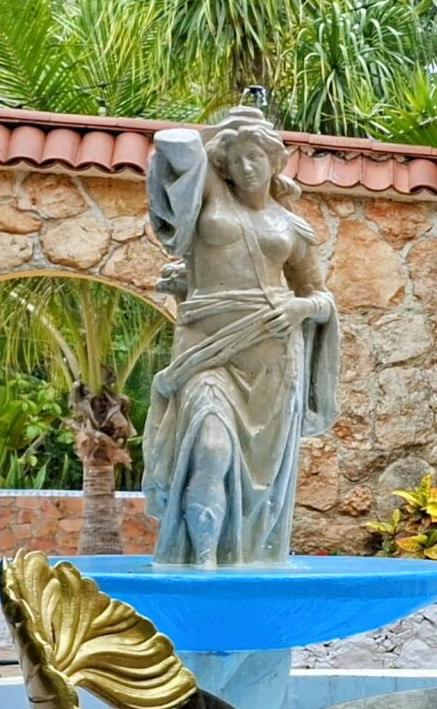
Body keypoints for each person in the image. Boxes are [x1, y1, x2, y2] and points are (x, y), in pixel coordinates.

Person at [139, 104, 338, 566]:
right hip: (206, 353)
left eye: (256, 156)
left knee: (260, 478)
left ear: (274, 161)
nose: (247, 167)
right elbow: (173, 143)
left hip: (271, 360)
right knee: (210, 448)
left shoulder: (291, 226)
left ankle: (240, 560)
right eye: (237, 159)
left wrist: (300, 307)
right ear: (223, 164)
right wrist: (225, 131)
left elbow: (320, 296)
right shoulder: (210, 192)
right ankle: (202, 566)